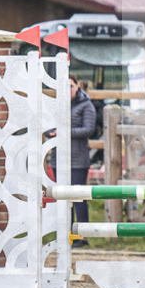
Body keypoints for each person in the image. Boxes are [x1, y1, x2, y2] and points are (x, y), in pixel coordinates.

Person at [52, 73, 96, 247]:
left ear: (77, 86)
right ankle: (67, 236)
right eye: (64, 87)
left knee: (78, 197)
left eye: (70, 86)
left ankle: (82, 236)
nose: (68, 90)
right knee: (63, 199)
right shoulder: (57, 105)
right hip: (58, 158)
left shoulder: (87, 105)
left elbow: (89, 129)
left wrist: (64, 132)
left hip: (78, 159)